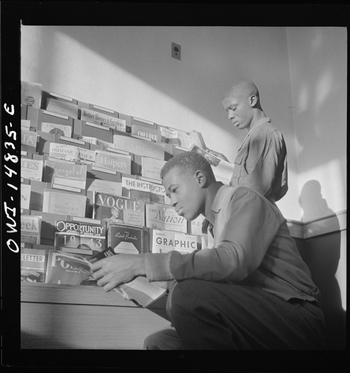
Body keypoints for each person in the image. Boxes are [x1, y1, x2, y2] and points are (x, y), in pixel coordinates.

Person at [91, 151, 326, 350]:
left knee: (187, 293)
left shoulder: (246, 199)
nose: (171, 201)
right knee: (160, 342)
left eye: (174, 190)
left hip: (298, 318)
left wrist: (141, 263)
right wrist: (149, 284)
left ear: (200, 178)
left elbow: (233, 260)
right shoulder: (212, 225)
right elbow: (224, 284)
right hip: (257, 315)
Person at [208, 78, 288, 203]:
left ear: (252, 100)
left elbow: (253, 192)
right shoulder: (255, 135)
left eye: (233, 108)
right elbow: (247, 182)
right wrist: (227, 166)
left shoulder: (264, 134)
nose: (229, 116)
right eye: (227, 111)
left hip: (253, 215)